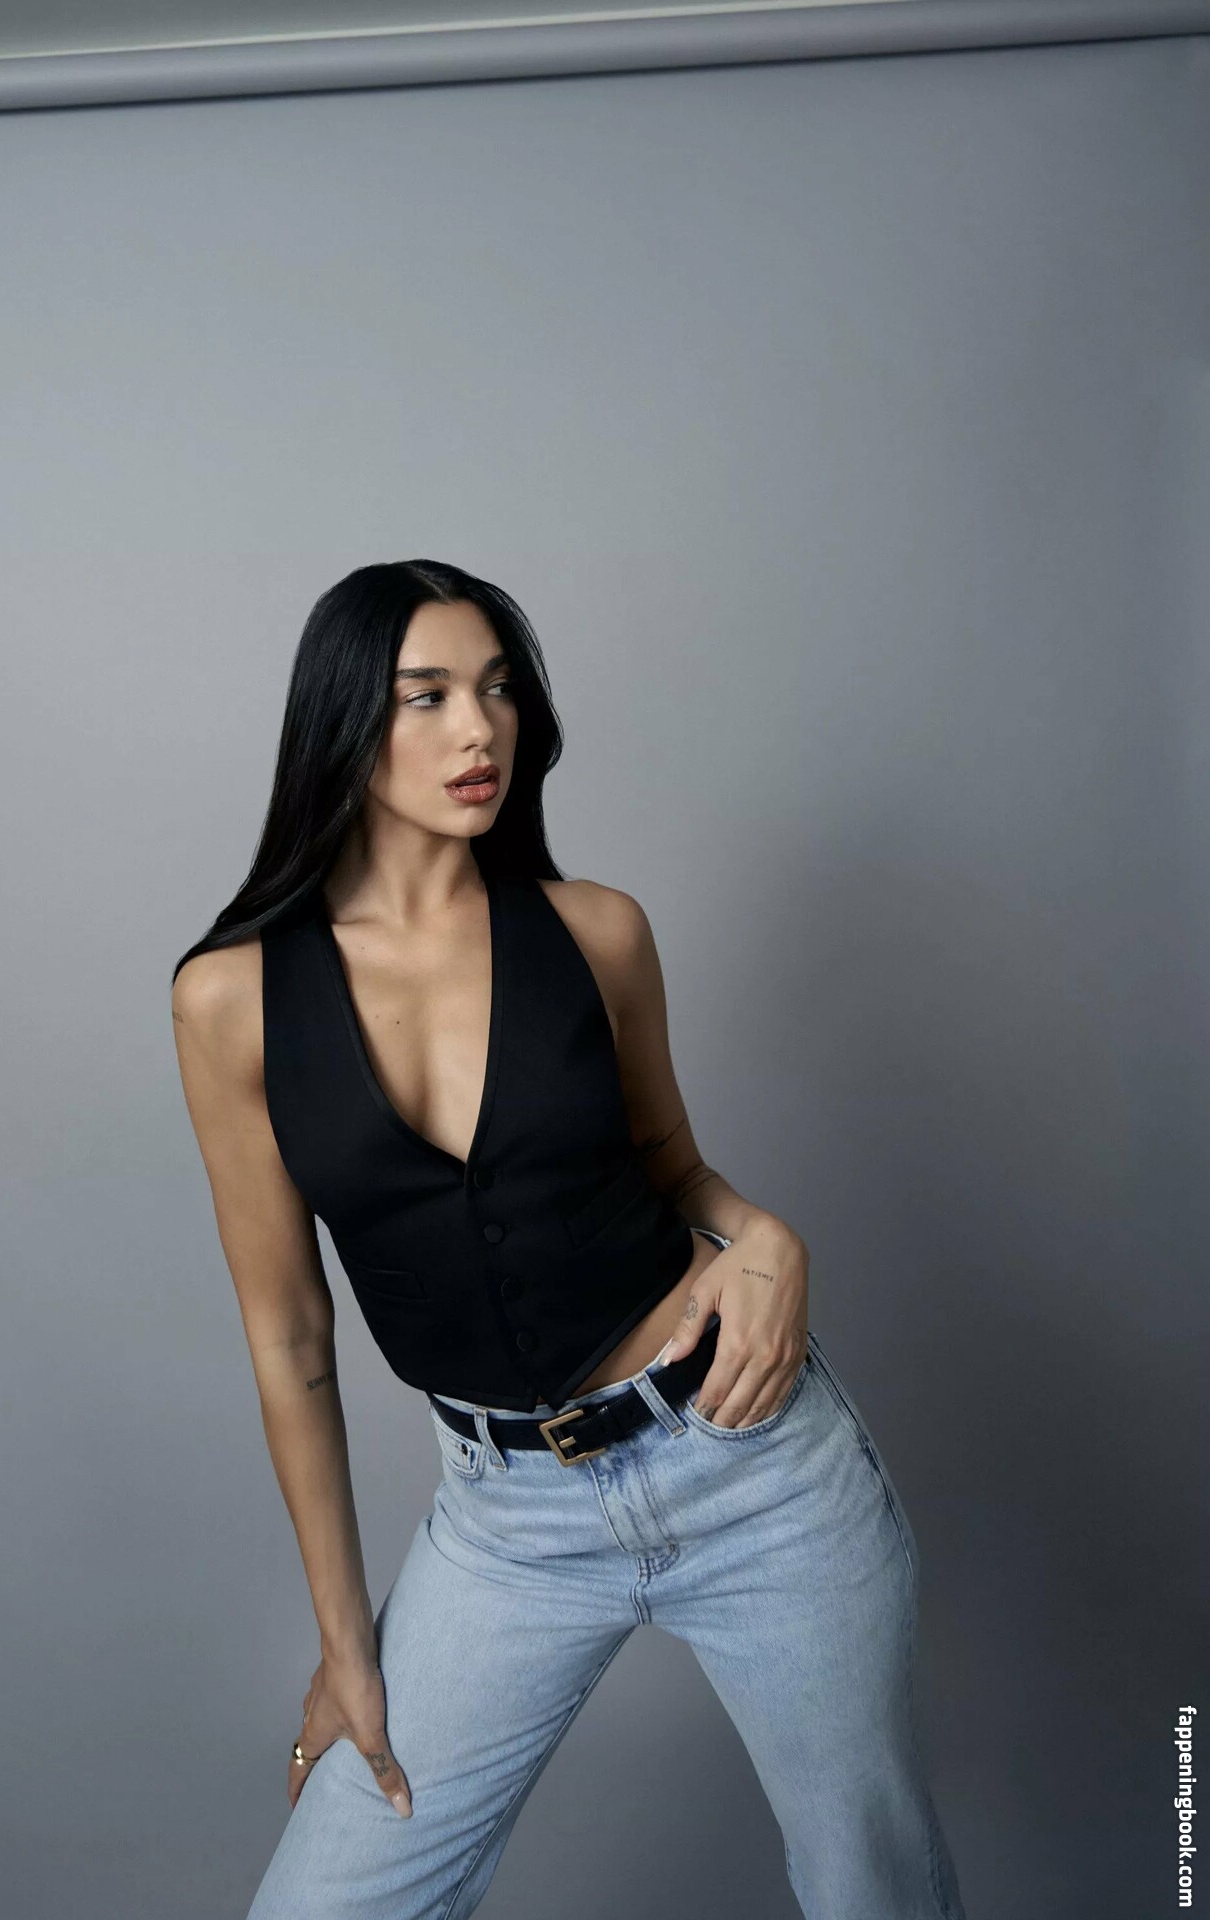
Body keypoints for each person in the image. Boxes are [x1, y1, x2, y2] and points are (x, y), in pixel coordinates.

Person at [169, 559, 966, 1919]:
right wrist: (346, 1645)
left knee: (871, 1890)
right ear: (343, 720)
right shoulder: (228, 1000)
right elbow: (289, 1338)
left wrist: (769, 1237)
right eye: (426, 696)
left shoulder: (596, 933)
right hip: (508, 1526)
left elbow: (675, 1172)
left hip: (751, 1464)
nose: (477, 730)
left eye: (496, 691)